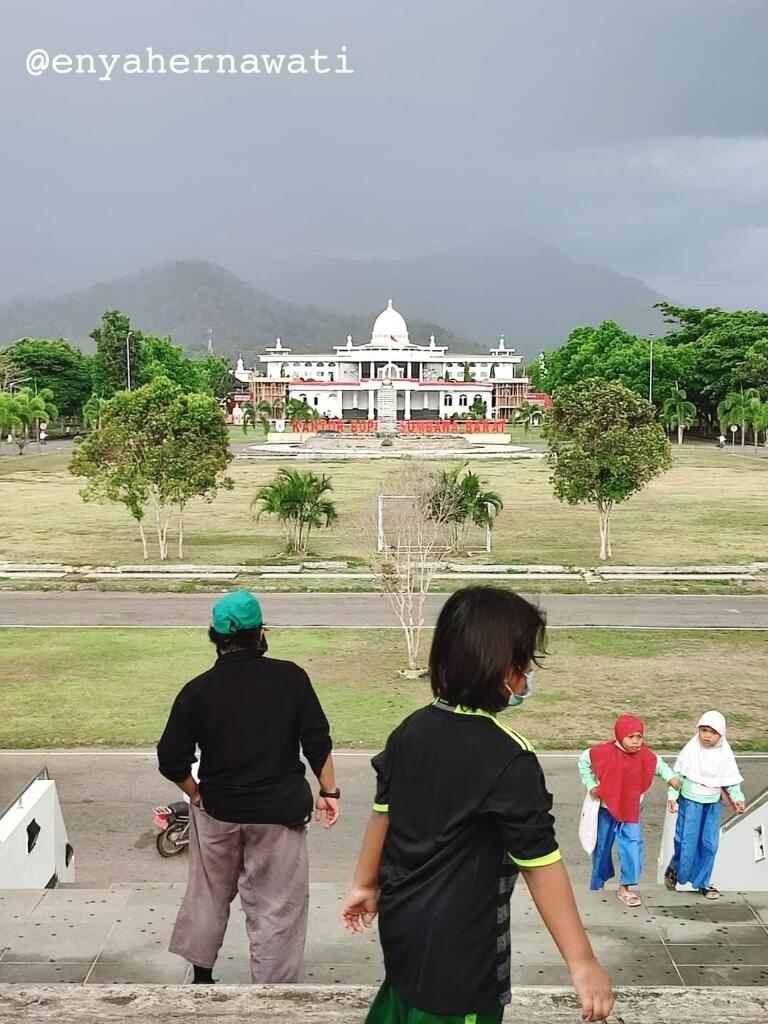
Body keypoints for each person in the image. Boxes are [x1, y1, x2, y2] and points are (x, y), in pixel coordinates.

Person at [341, 586, 614, 1024]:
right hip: (460, 971)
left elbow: (383, 813)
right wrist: (582, 962)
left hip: (403, 940)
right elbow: (540, 863)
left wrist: (364, 885)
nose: (528, 674)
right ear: (505, 670)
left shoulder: (408, 730)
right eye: (527, 663)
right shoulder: (509, 758)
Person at [157, 589, 340, 984]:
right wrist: (329, 793)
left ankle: (202, 979)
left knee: (207, 895)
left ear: (215, 637)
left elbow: (171, 757)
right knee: (278, 908)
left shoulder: (197, 690)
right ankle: (271, 995)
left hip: (218, 810)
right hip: (280, 815)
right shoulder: (291, 677)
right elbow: (317, 741)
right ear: (261, 633)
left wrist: (194, 793)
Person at [578, 716, 681, 906]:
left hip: (631, 811)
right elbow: (584, 761)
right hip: (606, 810)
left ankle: (625, 888)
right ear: (619, 736)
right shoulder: (603, 752)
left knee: (632, 848)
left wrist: (671, 778)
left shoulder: (646, 755)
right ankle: (597, 885)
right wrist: (591, 785)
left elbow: (661, 767)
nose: (636, 741)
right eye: (631, 736)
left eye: (639, 736)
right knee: (601, 849)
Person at [664, 711, 746, 900]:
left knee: (710, 844)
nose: (707, 736)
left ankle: (703, 882)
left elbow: (731, 781)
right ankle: (676, 868)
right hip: (690, 802)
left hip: (712, 805)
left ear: (721, 734)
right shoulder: (691, 750)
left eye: (713, 732)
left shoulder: (725, 754)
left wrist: (738, 799)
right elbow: (678, 777)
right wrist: (672, 796)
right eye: (704, 730)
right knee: (687, 841)